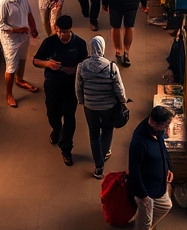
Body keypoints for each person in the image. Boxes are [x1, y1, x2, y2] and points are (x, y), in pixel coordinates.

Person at [32, 15, 88, 166]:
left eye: (65, 32)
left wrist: (75, 69)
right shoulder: (49, 42)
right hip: (52, 87)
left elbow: (85, 63)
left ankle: (66, 149)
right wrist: (48, 64)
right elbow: (35, 61)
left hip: (71, 88)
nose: (62, 35)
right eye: (59, 31)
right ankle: (56, 129)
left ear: (71, 30)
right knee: (52, 115)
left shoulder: (80, 44)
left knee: (70, 118)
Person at [76, 35, 128, 179]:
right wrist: (123, 101)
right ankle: (102, 158)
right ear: (103, 47)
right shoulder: (111, 66)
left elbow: (78, 87)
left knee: (93, 134)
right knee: (107, 131)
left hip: (90, 107)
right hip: (108, 107)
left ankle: (98, 166)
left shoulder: (82, 66)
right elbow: (119, 88)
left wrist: (82, 101)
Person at [0, 0, 39, 108]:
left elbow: (29, 13)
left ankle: (19, 79)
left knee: (22, 59)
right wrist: (18, 30)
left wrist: (34, 28)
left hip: (24, 35)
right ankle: (9, 94)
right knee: (11, 66)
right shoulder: (3, 4)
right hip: (11, 40)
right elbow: (0, 25)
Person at [129, 106, 174, 230]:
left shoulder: (156, 130)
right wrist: (143, 196)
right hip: (146, 191)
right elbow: (134, 170)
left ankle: (145, 224)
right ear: (154, 122)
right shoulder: (139, 141)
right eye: (165, 125)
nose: (167, 128)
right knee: (145, 223)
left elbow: (162, 149)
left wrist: (169, 168)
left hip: (158, 185)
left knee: (165, 206)